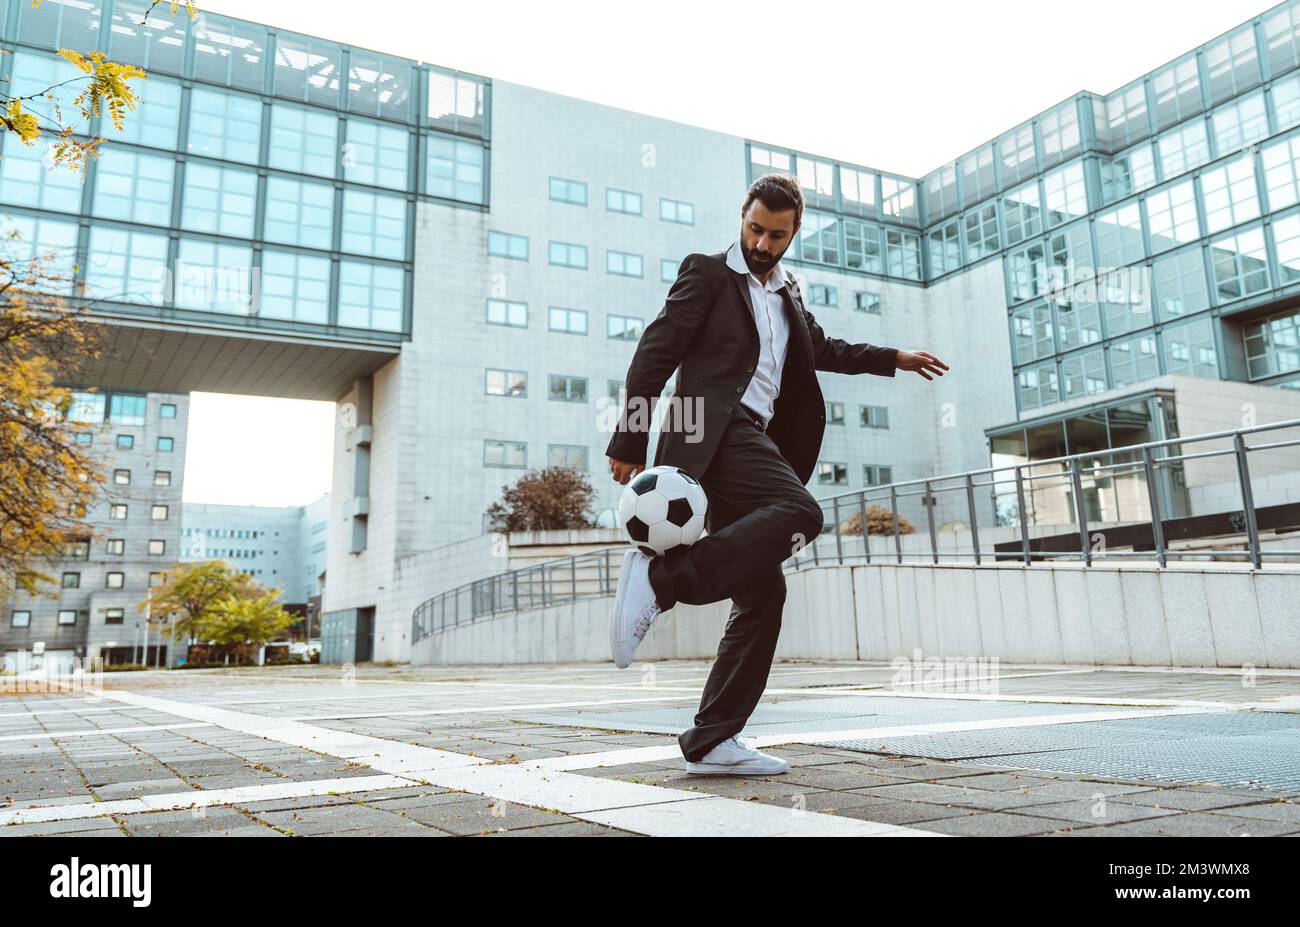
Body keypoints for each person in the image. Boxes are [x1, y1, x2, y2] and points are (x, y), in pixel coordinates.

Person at [605, 173, 949, 776]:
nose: (763, 243)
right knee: (802, 514)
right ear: (743, 216)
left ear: (794, 233)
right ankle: (663, 582)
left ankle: (712, 741)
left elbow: (822, 350)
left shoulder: (788, 293)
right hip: (710, 429)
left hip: (752, 441)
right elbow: (654, 352)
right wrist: (631, 436)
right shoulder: (707, 274)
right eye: (755, 229)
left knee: (764, 592)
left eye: (777, 234)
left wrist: (893, 359)